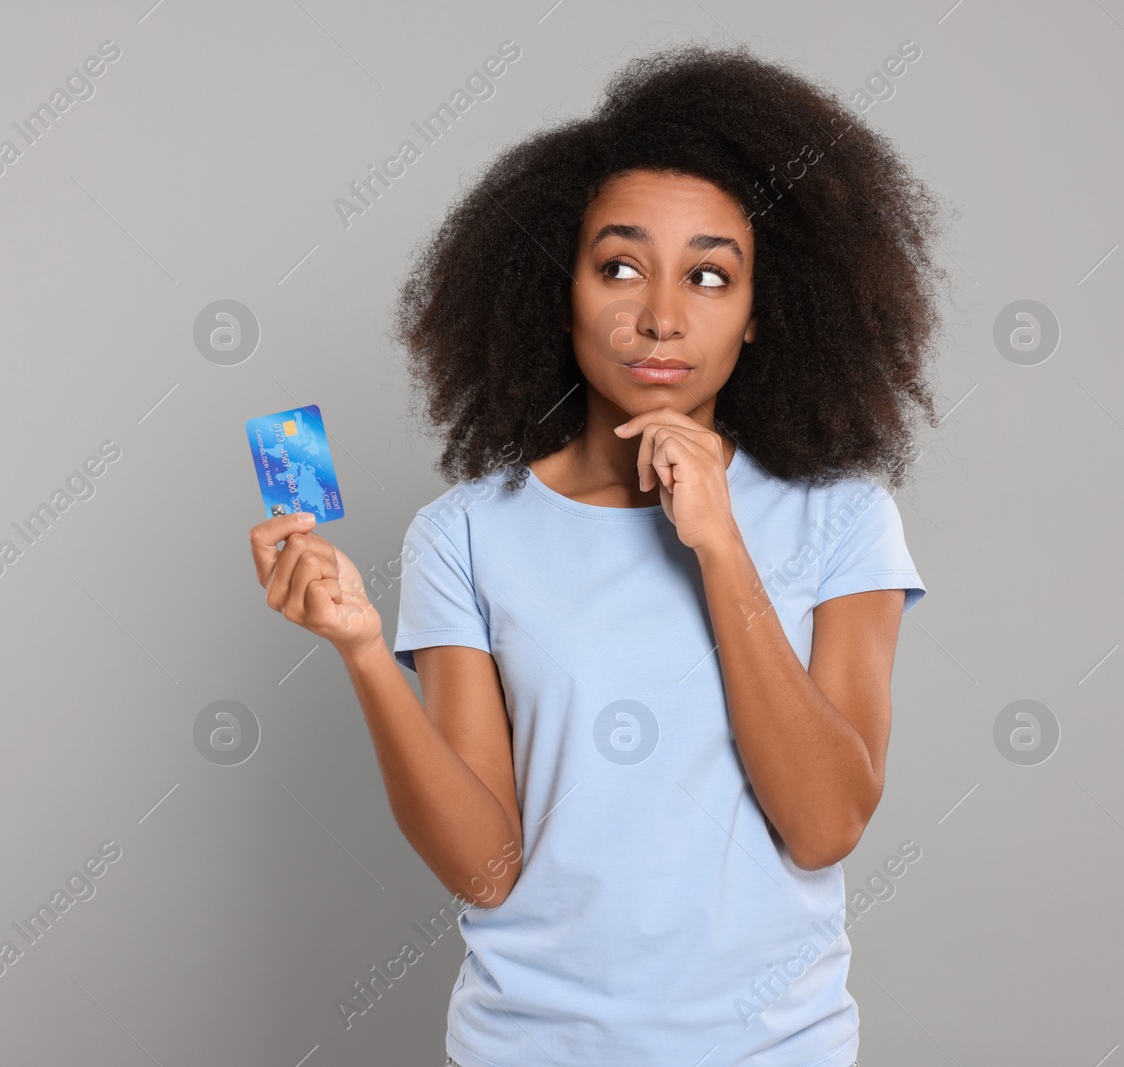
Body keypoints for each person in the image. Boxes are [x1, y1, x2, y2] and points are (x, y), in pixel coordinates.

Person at [248, 39, 948, 1067]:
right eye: (618, 266)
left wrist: (718, 543)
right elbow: (486, 868)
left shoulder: (840, 516)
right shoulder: (467, 534)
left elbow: (826, 821)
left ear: (761, 315)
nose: (660, 315)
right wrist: (360, 649)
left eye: (710, 275)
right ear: (558, 287)